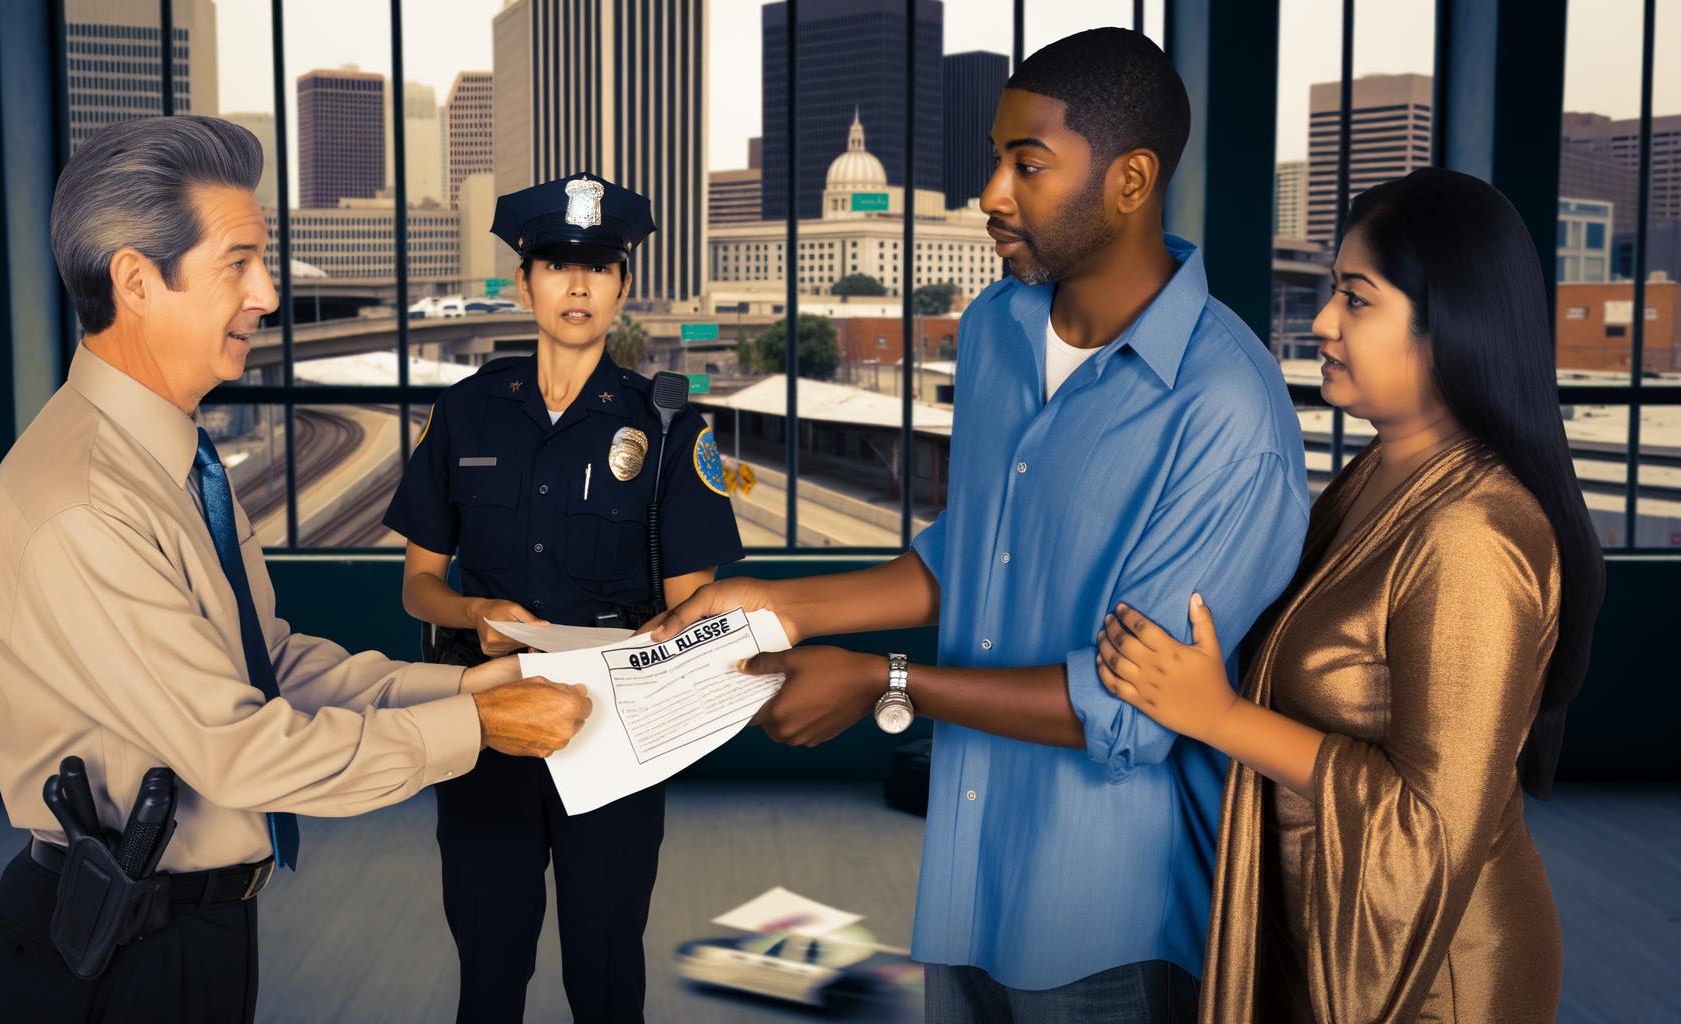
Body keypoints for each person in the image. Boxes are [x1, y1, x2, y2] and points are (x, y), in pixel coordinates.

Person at [647, 29, 1308, 1023]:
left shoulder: (1227, 410)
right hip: (963, 892)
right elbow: (970, 561)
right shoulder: (997, 330)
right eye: (994, 159)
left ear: (1130, 182)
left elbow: (1130, 706)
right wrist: (782, 605)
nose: (991, 194)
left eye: (1026, 165)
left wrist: (883, 679)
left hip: (1110, 925)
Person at [0, 115, 591, 1022]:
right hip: (121, 950)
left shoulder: (165, 465)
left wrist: (472, 687)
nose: (267, 292)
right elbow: (240, 750)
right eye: (239, 263)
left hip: (186, 924)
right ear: (137, 281)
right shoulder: (87, 506)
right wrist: (478, 729)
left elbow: (268, 664)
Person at [1094, 168, 1605, 1023]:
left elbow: (1430, 831)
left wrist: (1219, 716)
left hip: (1438, 974)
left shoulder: (1473, 534)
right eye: (1333, 292)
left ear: (1453, 327)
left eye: (1357, 300)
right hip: (1330, 926)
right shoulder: (1378, 475)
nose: (1324, 323)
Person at [383, 172, 746, 1022]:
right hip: (487, 721)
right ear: (525, 282)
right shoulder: (465, 415)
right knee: (489, 967)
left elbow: (697, 608)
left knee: (607, 970)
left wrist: (637, 646)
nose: (576, 284)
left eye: (597, 266)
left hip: (612, 728)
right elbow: (418, 588)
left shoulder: (669, 431)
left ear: (622, 285)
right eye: (555, 264)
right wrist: (474, 613)